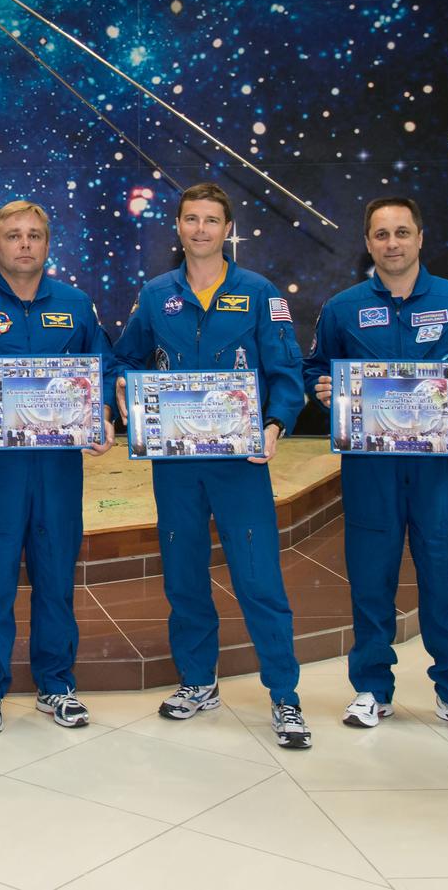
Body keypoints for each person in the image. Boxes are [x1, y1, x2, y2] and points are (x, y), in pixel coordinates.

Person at [114, 182, 312, 750]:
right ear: (177, 226)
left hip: (239, 460)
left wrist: (274, 425)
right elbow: (126, 357)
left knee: (257, 577)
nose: (200, 229)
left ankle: (284, 695)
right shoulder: (155, 295)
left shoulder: (259, 293)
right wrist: (125, 387)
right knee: (183, 573)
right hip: (176, 462)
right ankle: (198, 681)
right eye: (190, 219)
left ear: (228, 230)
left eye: (211, 220)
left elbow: (285, 371)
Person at [304, 197, 448, 736]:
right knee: (371, 577)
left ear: (421, 237)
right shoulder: (342, 308)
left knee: (444, 576)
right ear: (367, 243)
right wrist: (322, 388)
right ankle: (372, 689)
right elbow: (315, 368)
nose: (391, 243)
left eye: (401, 232)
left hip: (437, 468)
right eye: (380, 234)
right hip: (369, 467)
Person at [0, 200, 116, 734]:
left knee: (56, 576)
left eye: (35, 234)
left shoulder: (77, 305)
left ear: (47, 244)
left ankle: (56, 684)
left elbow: (101, 371)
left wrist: (103, 414)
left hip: (59, 468)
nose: (25, 244)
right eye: (14, 236)